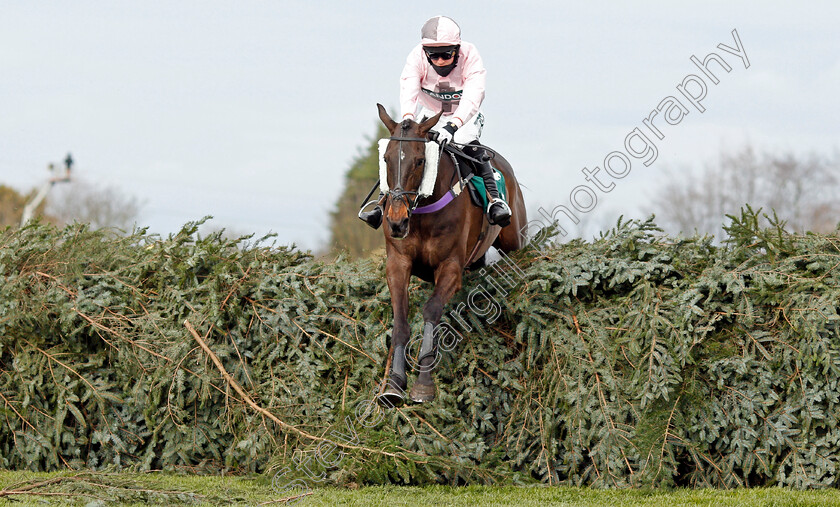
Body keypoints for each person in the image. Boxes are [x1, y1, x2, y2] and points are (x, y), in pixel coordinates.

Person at [359, 15, 512, 229]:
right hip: (429, 113)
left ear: (457, 50)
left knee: (465, 141)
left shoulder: (471, 56)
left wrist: (454, 124)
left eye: (446, 54)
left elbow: (473, 96)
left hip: (466, 114)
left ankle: (495, 201)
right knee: (403, 150)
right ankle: (381, 203)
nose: (439, 61)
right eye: (434, 55)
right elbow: (409, 92)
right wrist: (408, 121)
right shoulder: (416, 57)